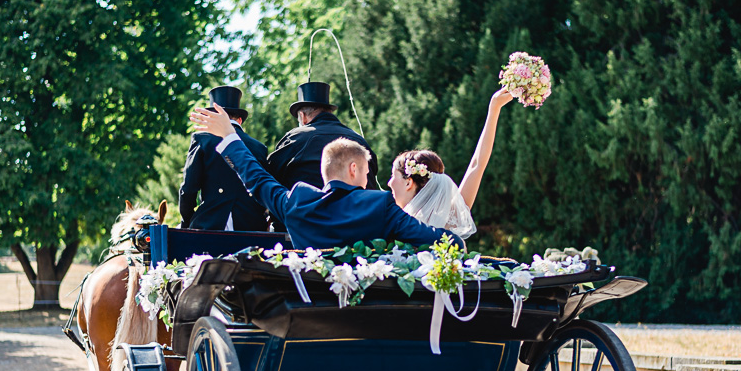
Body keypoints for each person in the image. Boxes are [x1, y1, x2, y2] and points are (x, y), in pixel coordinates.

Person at [188, 104, 462, 252]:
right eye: (367, 171)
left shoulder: (298, 202)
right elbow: (443, 241)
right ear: (354, 169)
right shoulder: (381, 206)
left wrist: (230, 137)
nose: (369, 179)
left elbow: (258, 179)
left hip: (305, 311)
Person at [387, 88, 515, 239]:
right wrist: (494, 109)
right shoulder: (449, 220)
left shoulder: (395, 224)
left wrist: (494, 108)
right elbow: (477, 166)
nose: (389, 183)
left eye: (393, 175)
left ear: (409, 182)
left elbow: (476, 165)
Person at [179, 86, 268, 231]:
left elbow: (188, 189)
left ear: (213, 118)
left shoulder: (202, 139)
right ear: (239, 120)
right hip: (251, 228)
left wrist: (188, 222)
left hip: (210, 225)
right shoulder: (259, 147)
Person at [265, 81, 379, 191]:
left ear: (302, 116)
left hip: (308, 209)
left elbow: (269, 178)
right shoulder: (359, 141)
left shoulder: (295, 138)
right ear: (329, 111)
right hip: (359, 209)